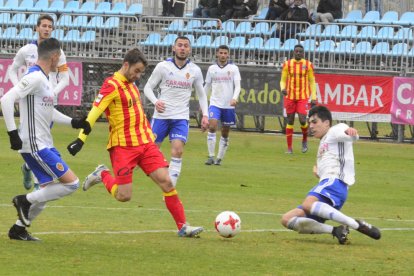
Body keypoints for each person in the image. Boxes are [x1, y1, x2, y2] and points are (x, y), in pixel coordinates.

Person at [66, 48, 204, 237]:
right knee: (124, 196)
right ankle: (103, 174)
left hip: (145, 143)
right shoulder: (111, 85)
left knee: (167, 182)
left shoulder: (130, 83)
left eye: (141, 72)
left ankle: (183, 226)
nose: (138, 76)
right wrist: (81, 139)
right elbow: (95, 111)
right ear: (126, 65)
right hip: (123, 146)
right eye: (136, 71)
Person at [1, 38, 91, 241]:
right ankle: (24, 200)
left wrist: (74, 122)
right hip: (34, 144)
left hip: (43, 143)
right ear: (55, 56)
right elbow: (6, 99)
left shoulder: (45, 80)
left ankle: (18, 230)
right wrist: (12, 133)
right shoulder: (34, 77)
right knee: (72, 183)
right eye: (60, 57)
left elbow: (49, 112)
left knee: (48, 189)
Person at [281, 105, 381, 244]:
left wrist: (351, 133)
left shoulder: (335, 130)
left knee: (308, 203)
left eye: (315, 122)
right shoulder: (324, 143)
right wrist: (319, 171)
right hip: (329, 186)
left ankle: (356, 224)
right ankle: (336, 231)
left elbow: (348, 134)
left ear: (327, 122)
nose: (311, 126)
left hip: (335, 183)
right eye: (310, 122)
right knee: (287, 219)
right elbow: (332, 161)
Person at [8, 14, 69, 191]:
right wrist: (19, 89)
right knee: (29, 140)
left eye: (50, 26)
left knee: (40, 141)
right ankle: (32, 173)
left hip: (45, 105)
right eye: (43, 25)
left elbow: (64, 79)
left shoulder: (59, 52)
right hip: (29, 103)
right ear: (36, 28)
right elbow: (12, 70)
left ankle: (35, 179)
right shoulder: (26, 50)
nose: (47, 29)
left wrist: (52, 93)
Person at [143, 36, 209, 187]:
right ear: (174, 48)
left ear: (190, 49)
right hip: (161, 116)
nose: (182, 48)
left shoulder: (195, 70)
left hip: (180, 117)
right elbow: (148, 87)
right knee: (150, 153)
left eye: (186, 46)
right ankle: (164, 176)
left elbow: (201, 94)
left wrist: (205, 115)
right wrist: (156, 101)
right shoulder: (163, 67)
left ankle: (170, 188)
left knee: (177, 151)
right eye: (180, 45)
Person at [204, 45, 241, 166]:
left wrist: (234, 98)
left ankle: (219, 157)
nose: (223, 55)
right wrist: (203, 102)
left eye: (225, 53)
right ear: (217, 54)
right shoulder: (212, 68)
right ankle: (210, 156)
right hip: (215, 103)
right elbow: (207, 86)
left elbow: (238, 86)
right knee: (213, 126)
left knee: (225, 132)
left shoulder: (234, 68)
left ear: (228, 55)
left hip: (228, 105)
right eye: (221, 53)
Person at [280, 44, 316, 154]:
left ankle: (304, 140)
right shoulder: (287, 64)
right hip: (290, 97)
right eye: (297, 51)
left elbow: (312, 81)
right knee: (290, 120)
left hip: (303, 96)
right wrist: (283, 88)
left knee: (302, 120)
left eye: (300, 51)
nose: (298, 53)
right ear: (293, 52)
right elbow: (282, 80)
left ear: (303, 53)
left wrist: (313, 97)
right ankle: (289, 148)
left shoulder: (308, 65)